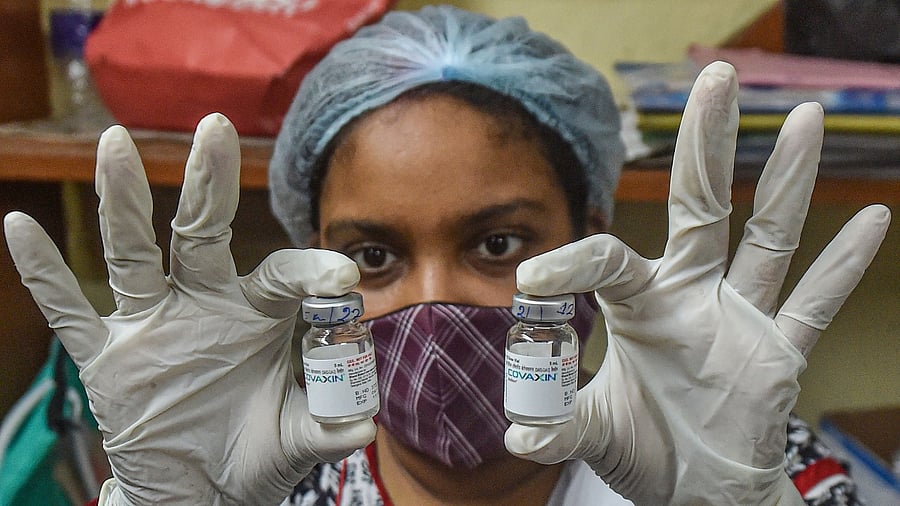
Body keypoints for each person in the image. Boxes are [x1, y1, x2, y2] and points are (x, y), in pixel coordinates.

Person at [3, 5, 890, 506]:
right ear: (314, 265)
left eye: (497, 243)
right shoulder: (259, 488)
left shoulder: (749, 463)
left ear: (587, 233)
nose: (435, 304)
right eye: (373, 255)